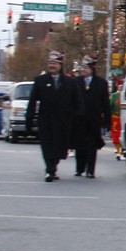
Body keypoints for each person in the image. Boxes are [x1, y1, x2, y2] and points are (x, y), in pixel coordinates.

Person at [25, 50, 83, 182]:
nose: (52, 66)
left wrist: (77, 117)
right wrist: (29, 118)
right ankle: (50, 170)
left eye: (55, 63)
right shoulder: (40, 81)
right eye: (50, 63)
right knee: (47, 145)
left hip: (64, 121)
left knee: (60, 147)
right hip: (46, 120)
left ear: (60, 65)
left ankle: (53, 165)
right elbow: (33, 101)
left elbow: (78, 101)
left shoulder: (70, 82)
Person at [72, 55, 111, 178]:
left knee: (92, 145)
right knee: (79, 145)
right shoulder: (76, 82)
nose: (83, 70)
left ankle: (90, 170)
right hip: (79, 120)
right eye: (82, 67)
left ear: (92, 69)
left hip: (94, 120)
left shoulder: (101, 83)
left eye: (86, 67)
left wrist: (107, 120)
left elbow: (105, 103)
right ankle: (79, 168)